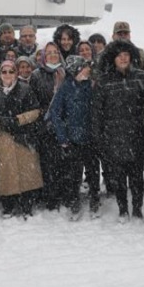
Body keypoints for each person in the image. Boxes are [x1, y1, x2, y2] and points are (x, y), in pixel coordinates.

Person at [92, 40, 144, 221]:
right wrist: (98, 137)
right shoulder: (103, 82)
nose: (123, 58)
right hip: (113, 137)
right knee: (118, 178)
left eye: (126, 55)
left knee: (137, 176)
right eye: (119, 55)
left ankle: (137, 208)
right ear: (113, 58)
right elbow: (97, 112)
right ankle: (122, 210)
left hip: (137, 136)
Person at [0, 59, 43, 218]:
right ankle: (8, 205)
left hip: (24, 136)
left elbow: (35, 111)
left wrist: (18, 120)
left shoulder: (25, 89)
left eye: (11, 71)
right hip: (2, 138)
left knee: (27, 172)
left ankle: (27, 204)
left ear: (16, 73)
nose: (8, 74)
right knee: (6, 174)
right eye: (4, 71)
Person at [47, 56, 94, 219]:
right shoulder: (66, 87)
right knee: (74, 173)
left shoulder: (92, 85)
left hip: (91, 136)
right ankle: (74, 200)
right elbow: (55, 113)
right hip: (73, 138)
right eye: (83, 68)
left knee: (93, 170)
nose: (87, 70)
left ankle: (94, 199)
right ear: (75, 71)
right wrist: (63, 137)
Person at [28, 42, 65, 209]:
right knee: (48, 163)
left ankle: (63, 195)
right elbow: (32, 100)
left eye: (55, 52)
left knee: (64, 163)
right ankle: (50, 198)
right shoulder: (36, 75)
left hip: (64, 124)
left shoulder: (65, 72)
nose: (52, 55)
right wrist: (47, 113)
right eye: (48, 52)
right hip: (46, 124)